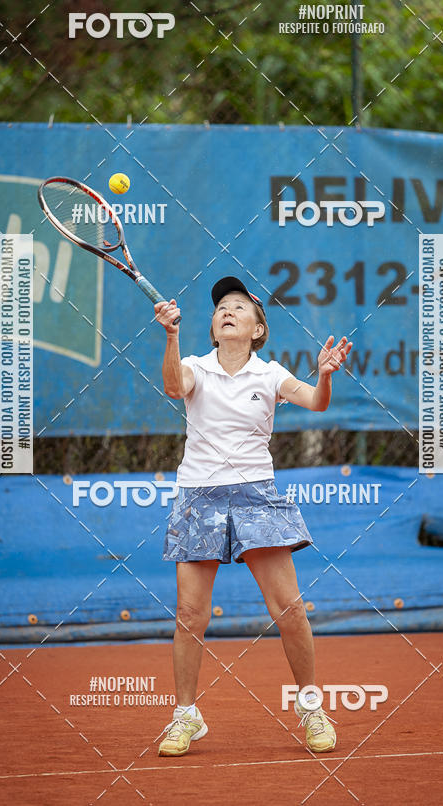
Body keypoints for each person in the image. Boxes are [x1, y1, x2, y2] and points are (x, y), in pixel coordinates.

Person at [153, 276, 352, 757]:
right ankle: (185, 716)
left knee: (289, 609)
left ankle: (311, 707)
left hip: (256, 496)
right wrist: (171, 335)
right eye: (222, 306)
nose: (228, 311)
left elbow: (316, 401)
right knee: (190, 615)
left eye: (239, 307)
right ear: (213, 326)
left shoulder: (271, 374)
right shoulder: (194, 365)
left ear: (257, 329)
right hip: (199, 497)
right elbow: (174, 387)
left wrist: (325, 375)